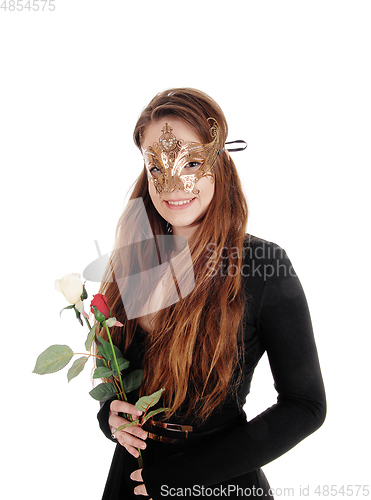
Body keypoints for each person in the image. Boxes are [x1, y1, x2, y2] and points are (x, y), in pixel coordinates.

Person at [96, 88, 326, 499]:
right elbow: (121, 373)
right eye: (156, 166)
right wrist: (110, 416)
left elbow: (305, 406)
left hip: (219, 485)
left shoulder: (262, 266)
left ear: (218, 162)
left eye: (191, 162)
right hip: (130, 482)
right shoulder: (135, 257)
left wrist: (185, 477)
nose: (172, 184)